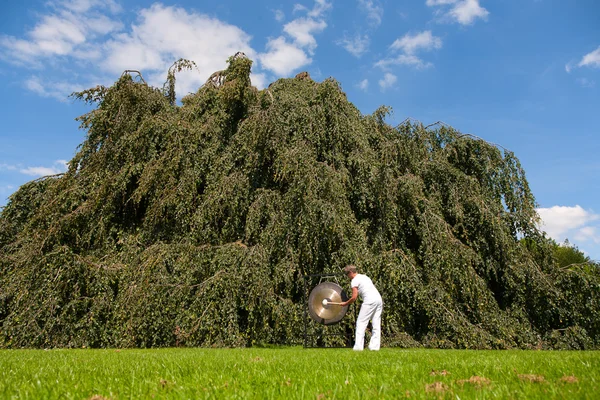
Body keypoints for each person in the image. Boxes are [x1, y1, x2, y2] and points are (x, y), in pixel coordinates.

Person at [339, 265, 383, 351]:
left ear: (351, 272)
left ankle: (358, 348)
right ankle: (374, 347)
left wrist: (345, 303)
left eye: (347, 274)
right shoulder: (365, 277)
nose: (348, 277)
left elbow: (354, 297)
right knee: (376, 323)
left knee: (361, 323)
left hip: (369, 301)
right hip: (378, 299)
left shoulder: (354, 281)